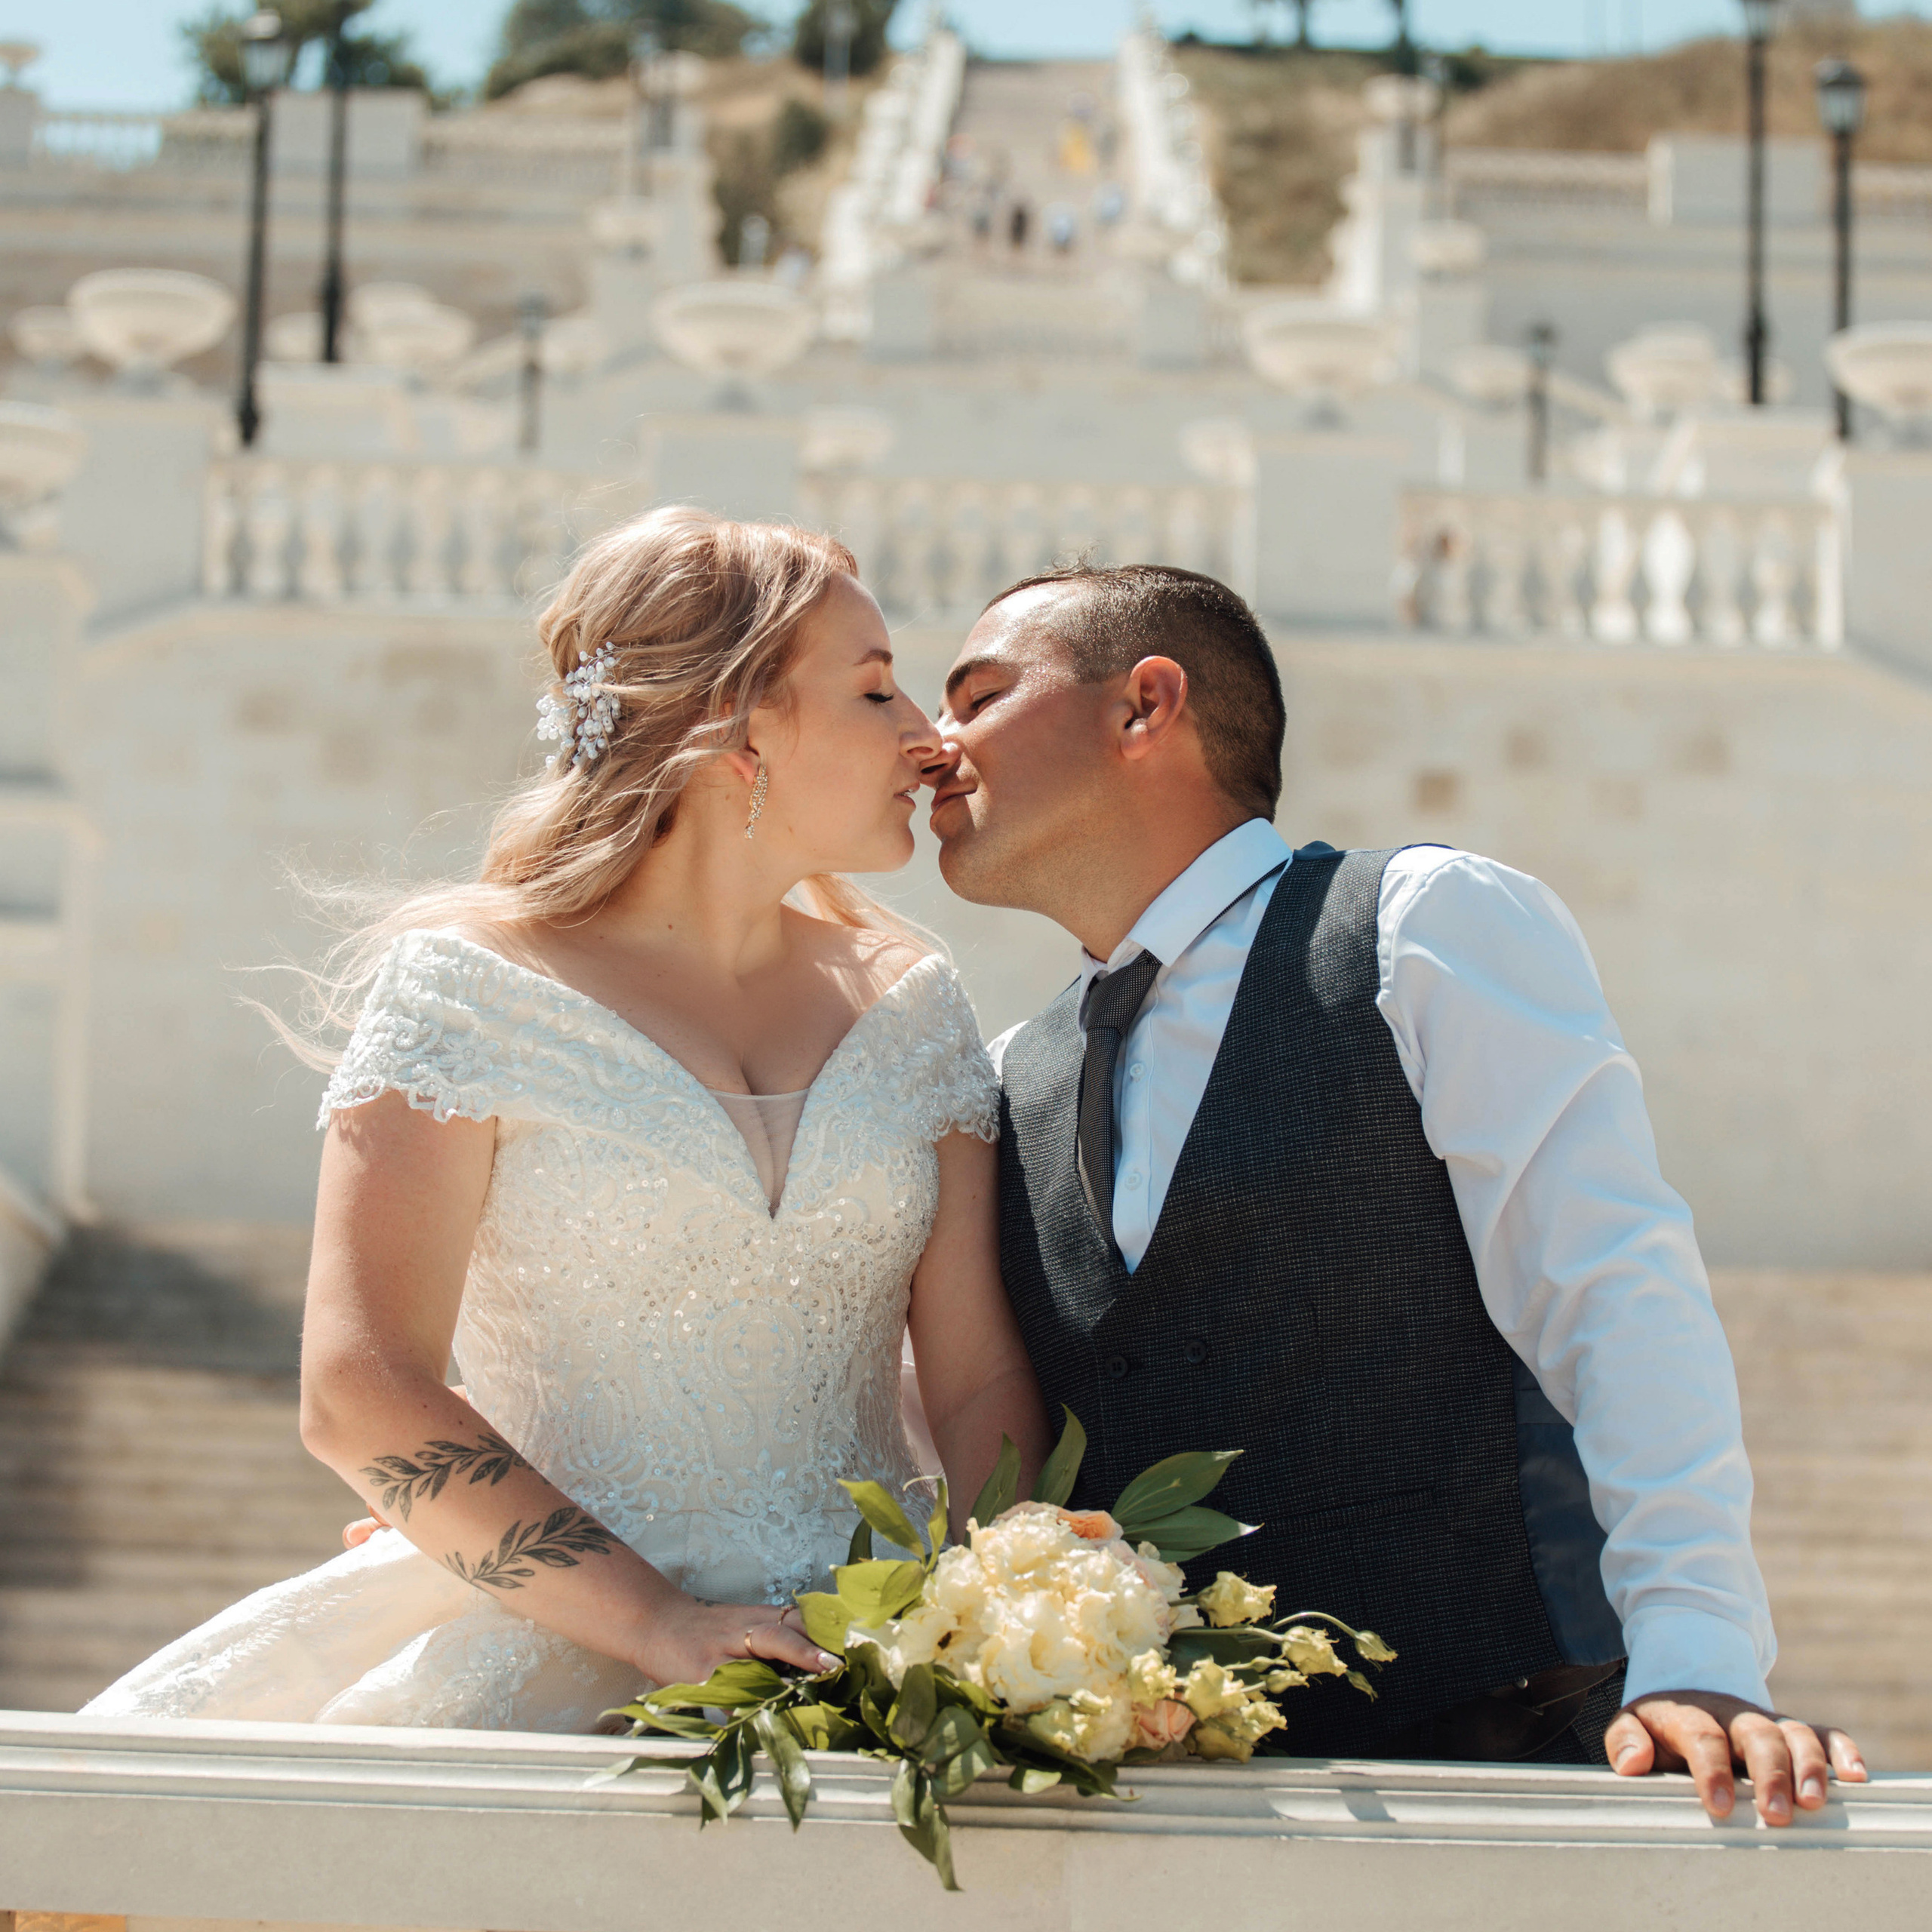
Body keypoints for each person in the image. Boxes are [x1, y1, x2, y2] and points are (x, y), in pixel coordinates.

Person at [924, 560, 1867, 1827]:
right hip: (1171, 1815)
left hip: (1501, 1764)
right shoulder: (1006, 1082)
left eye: (979, 697)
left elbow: (1611, 1286)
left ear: (1145, 706)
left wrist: (1699, 1655)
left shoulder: (1420, 925)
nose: (936, 748)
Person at [82, 509, 1049, 1730]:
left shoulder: (915, 1005)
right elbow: (358, 1386)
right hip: (547, 1649)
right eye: (874, 693)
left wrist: (998, 1616)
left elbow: (976, 1381)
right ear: (735, 726)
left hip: (861, 1666)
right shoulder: (468, 988)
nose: (926, 737)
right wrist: (659, 1626)